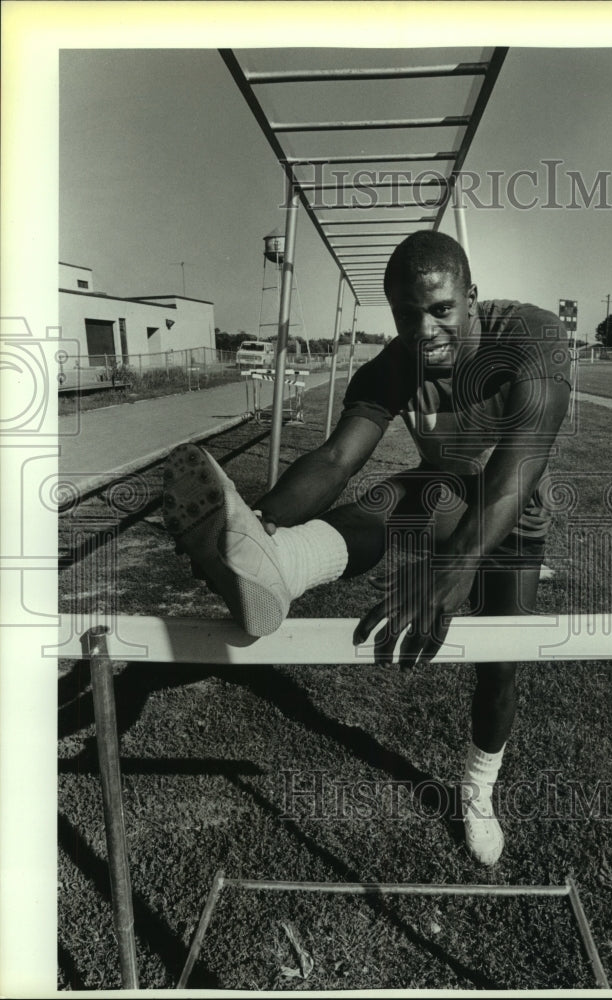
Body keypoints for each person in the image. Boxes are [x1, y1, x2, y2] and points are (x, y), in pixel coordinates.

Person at [162, 231, 571, 866]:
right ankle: (282, 563)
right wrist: (259, 523)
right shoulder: (393, 365)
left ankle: (477, 790)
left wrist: (453, 569)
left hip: (516, 516)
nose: (426, 330)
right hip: (445, 497)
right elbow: (335, 460)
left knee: (500, 668)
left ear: (472, 297)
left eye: (441, 309)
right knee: (395, 497)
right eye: (407, 315)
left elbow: (520, 463)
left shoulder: (531, 335)